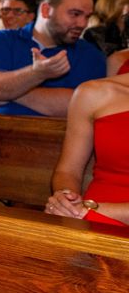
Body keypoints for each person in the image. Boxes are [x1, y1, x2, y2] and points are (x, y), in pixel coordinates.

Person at [0, 0, 106, 116]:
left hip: (58, 135)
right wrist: (37, 73)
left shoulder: (90, 54)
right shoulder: (2, 40)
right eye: (75, 14)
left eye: (87, 16)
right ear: (46, 10)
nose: (83, 24)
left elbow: (81, 106)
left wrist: (7, 91)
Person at [45, 73, 129, 226]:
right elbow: (68, 171)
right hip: (88, 223)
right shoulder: (92, 93)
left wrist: (92, 210)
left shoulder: (91, 209)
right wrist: (65, 200)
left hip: (94, 213)